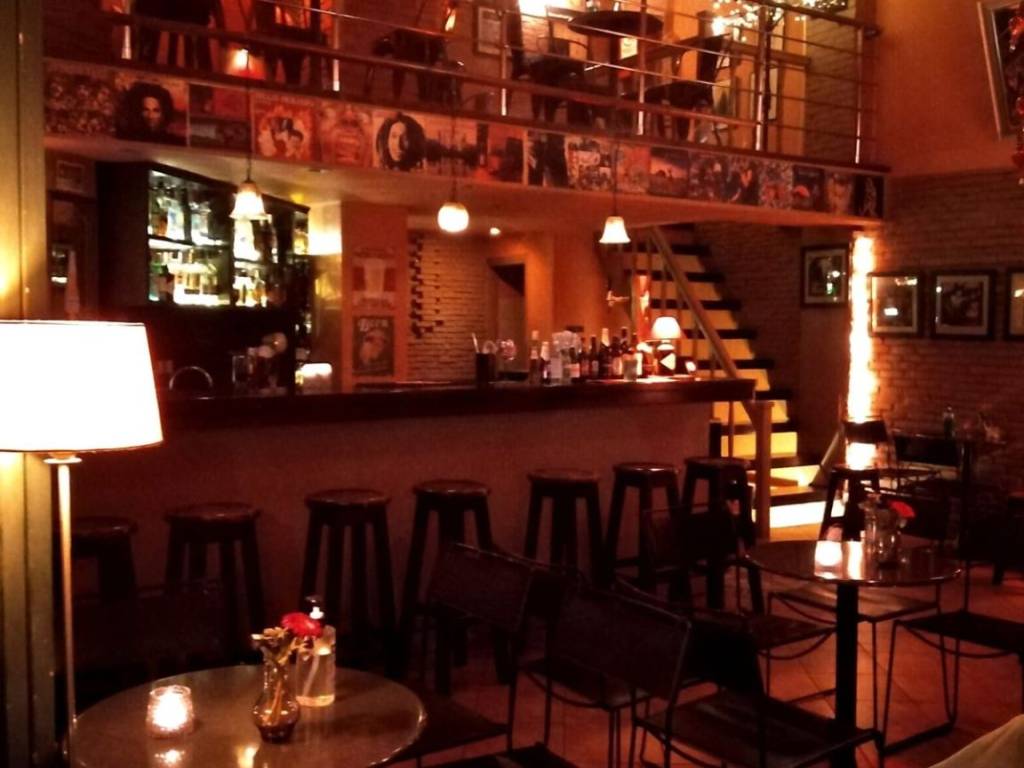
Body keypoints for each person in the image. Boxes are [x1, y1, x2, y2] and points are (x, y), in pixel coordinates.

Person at [115, 81, 184, 145]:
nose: (150, 116)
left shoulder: (174, 142)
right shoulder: (127, 138)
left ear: (164, 113)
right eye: (146, 110)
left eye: (156, 111)